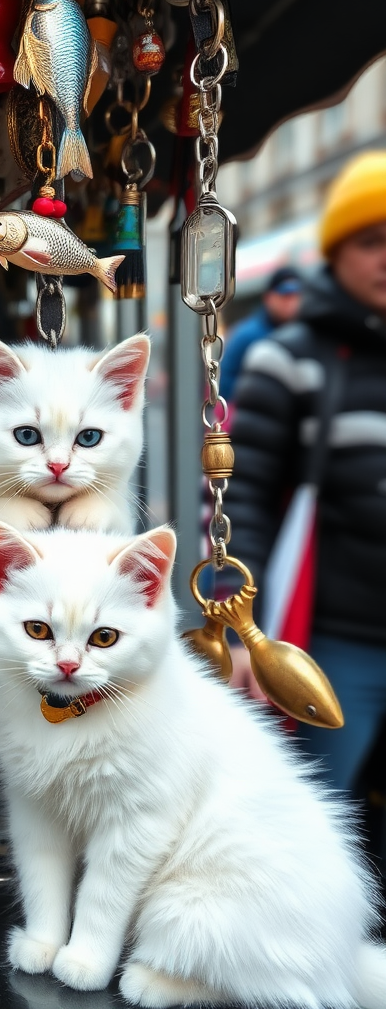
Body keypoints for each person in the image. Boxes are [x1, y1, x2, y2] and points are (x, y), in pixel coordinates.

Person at [225, 151, 386, 796]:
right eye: (372, 242)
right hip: (333, 646)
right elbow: (245, 505)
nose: (385, 259)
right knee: (323, 831)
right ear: (336, 253)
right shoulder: (285, 360)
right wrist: (242, 636)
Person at [220, 266, 304, 402]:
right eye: (285, 296)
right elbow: (225, 384)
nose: (291, 303)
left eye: (296, 296)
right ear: (268, 298)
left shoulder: (306, 333)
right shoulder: (245, 335)